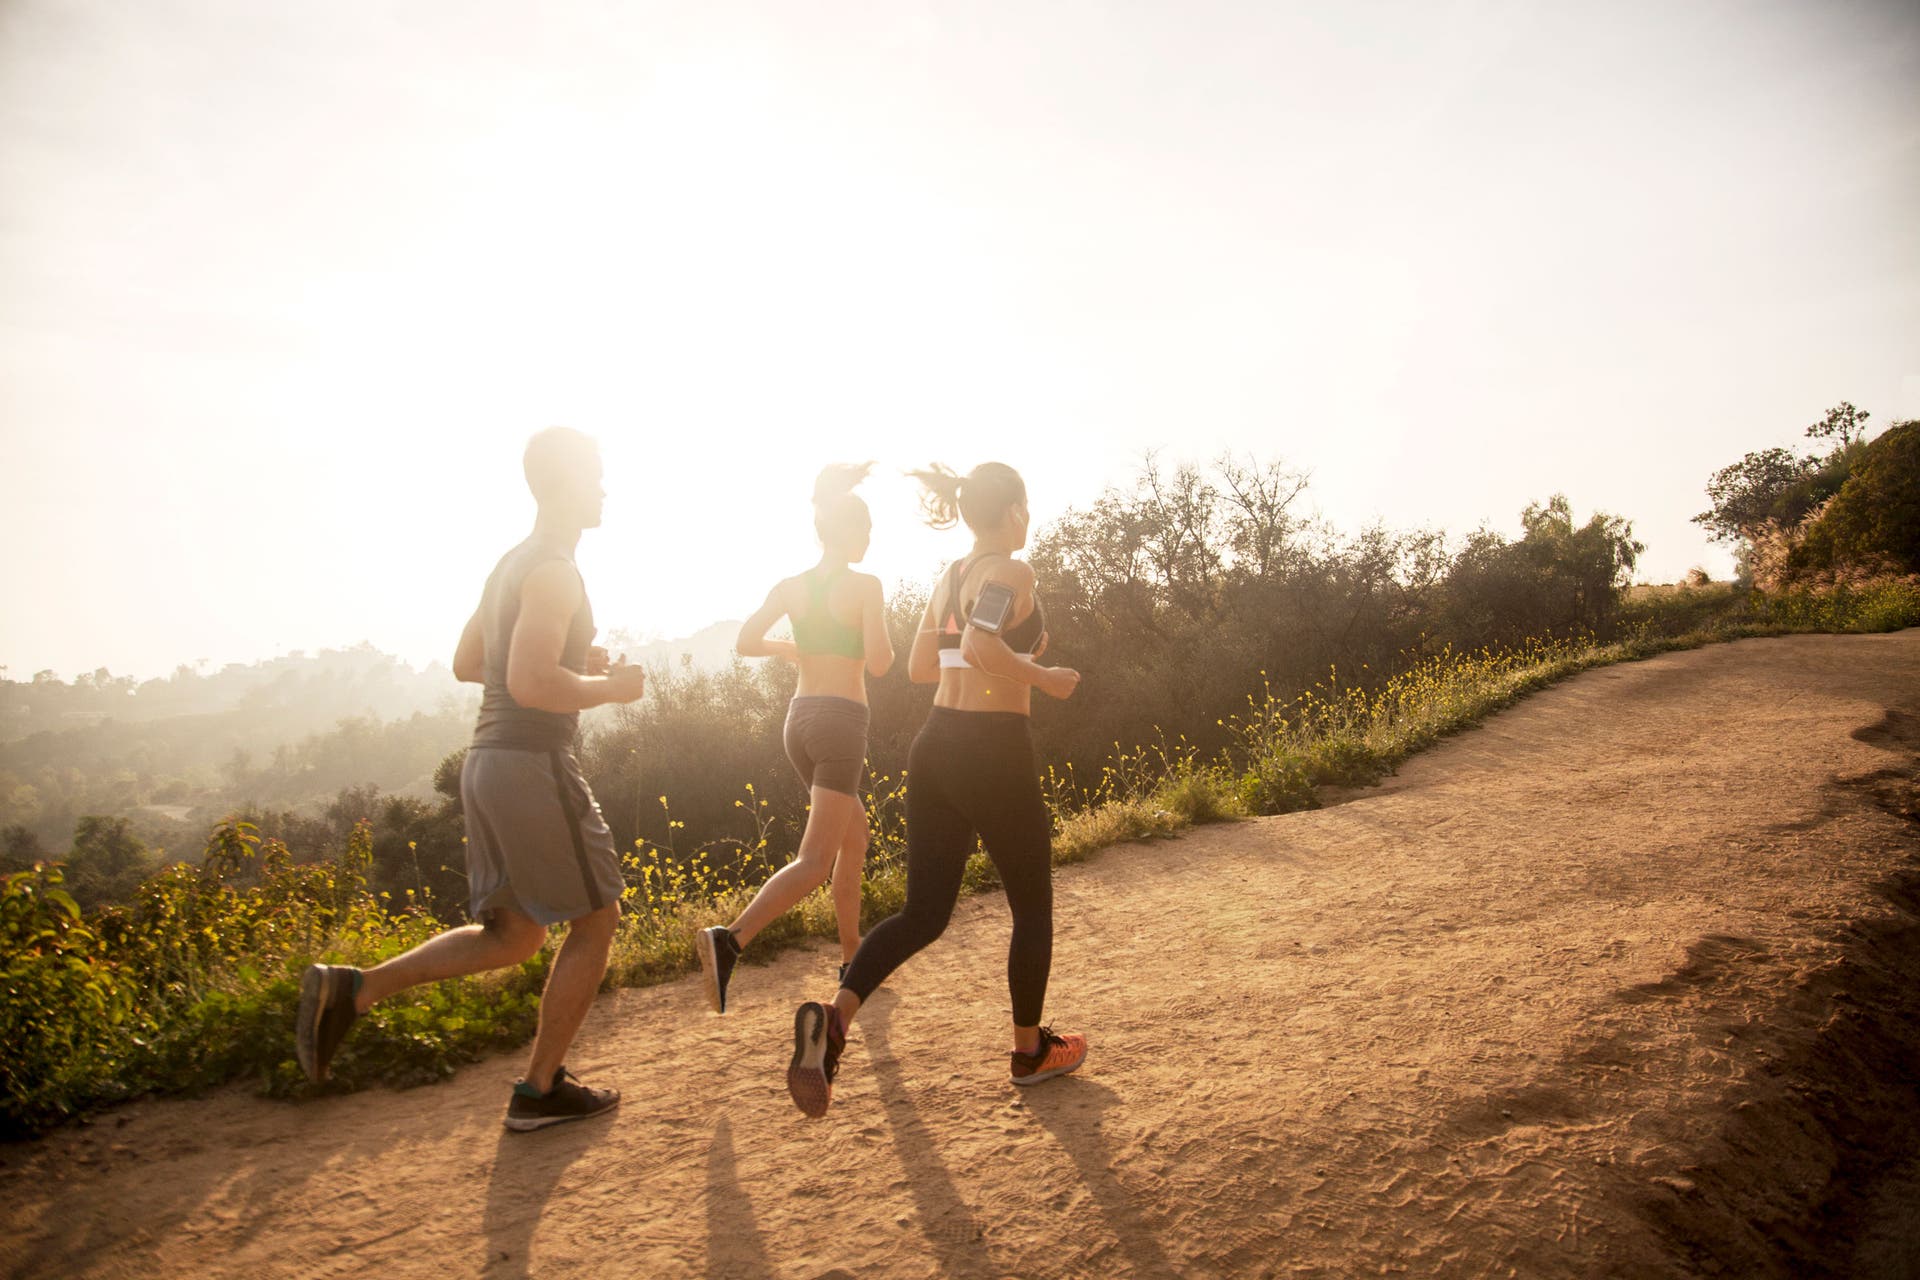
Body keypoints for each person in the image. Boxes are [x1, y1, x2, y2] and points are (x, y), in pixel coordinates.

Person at [295, 427, 648, 1132]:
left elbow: (469, 661)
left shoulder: (512, 565)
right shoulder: (555, 570)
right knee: (598, 917)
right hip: (531, 763)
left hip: (485, 764)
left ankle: (354, 990)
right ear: (566, 484)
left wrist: (574, 651)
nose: (605, 489)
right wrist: (608, 687)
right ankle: (541, 1089)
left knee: (513, 936)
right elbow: (528, 679)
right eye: (596, 476)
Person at [785, 461, 1085, 1118]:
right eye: (1025, 507)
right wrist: (1042, 675)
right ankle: (1030, 1052)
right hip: (994, 749)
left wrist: (988, 651)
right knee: (1032, 908)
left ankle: (834, 1023)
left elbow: (925, 666)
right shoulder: (1010, 571)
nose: (1028, 520)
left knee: (924, 913)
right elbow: (981, 642)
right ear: (1010, 511)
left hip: (937, 748)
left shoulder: (949, 580)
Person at [696, 464, 894, 1012]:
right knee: (814, 860)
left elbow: (745, 641)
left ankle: (854, 957)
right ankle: (730, 940)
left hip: (799, 719)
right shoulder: (866, 586)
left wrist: (790, 650)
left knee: (854, 838)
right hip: (840, 724)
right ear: (847, 531)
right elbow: (880, 663)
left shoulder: (791, 586)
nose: (870, 541)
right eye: (867, 530)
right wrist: (880, 641)